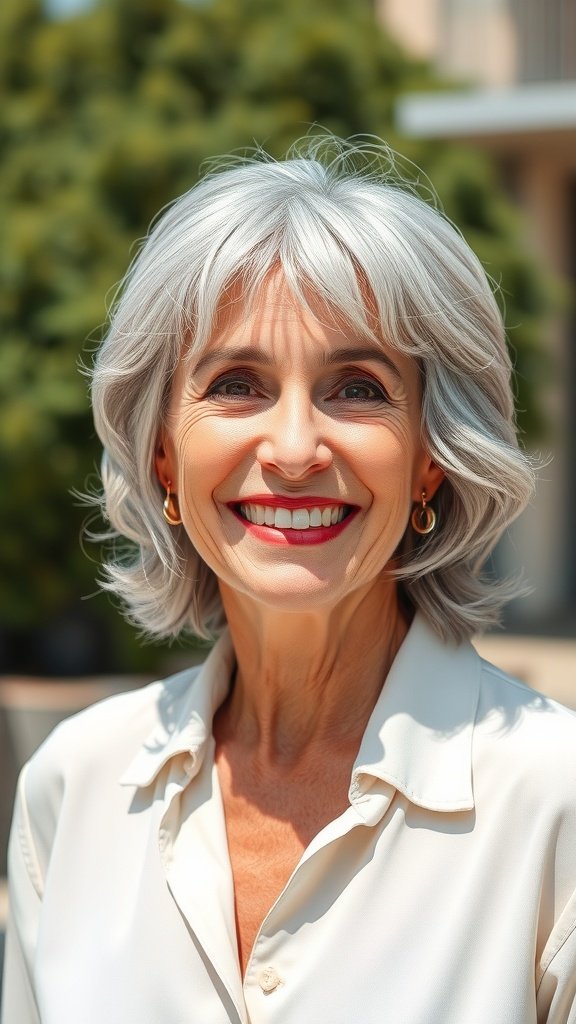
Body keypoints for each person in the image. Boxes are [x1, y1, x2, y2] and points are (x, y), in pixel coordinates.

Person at [2, 136, 576, 1024]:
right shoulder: (72, 788)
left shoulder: (554, 801)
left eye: (358, 388)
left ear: (431, 459)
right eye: (237, 384)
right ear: (163, 455)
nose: (297, 448)